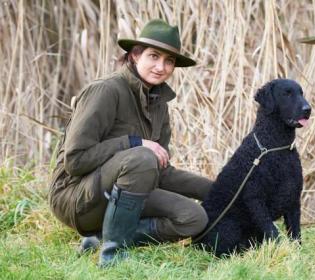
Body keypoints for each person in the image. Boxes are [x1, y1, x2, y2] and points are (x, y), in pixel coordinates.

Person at [48, 19, 212, 267]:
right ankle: (113, 256)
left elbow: (159, 170)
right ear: (135, 55)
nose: (161, 66)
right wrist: (134, 142)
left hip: (123, 193)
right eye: (154, 56)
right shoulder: (106, 91)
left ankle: (103, 236)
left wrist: (218, 188)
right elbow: (75, 160)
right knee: (142, 156)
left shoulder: (159, 105)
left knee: (193, 218)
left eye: (169, 61)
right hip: (74, 196)